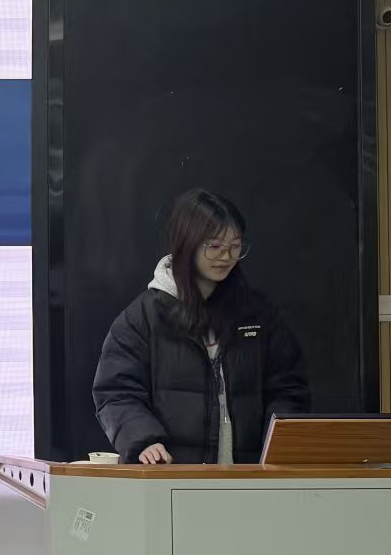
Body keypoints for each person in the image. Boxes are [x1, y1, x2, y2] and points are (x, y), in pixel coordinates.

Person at [93, 189, 310, 465]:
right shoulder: (142, 317)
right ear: (187, 244)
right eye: (215, 246)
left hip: (250, 477)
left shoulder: (257, 314)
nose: (227, 256)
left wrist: (280, 442)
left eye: (235, 246)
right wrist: (144, 440)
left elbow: (288, 387)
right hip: (173, 475)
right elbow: (115, 392)